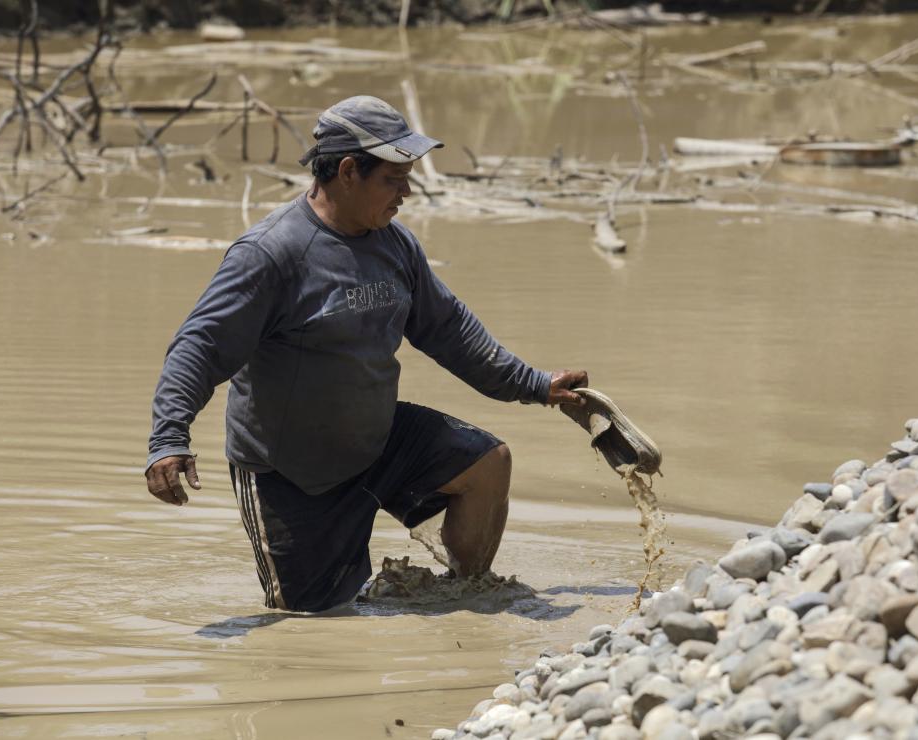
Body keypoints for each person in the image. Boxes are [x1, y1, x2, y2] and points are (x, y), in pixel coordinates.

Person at [145, 95, 588, 612]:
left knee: (489, 464)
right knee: (312, 626)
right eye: (394, 178)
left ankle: (468, 596)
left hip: (376, 440)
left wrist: (533, 385)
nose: (406, 192)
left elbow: (449, 329)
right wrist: (168, 438)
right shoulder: (271, 254)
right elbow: (200, 345)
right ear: (349, 171)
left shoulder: (394, 244)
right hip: (291, 472)